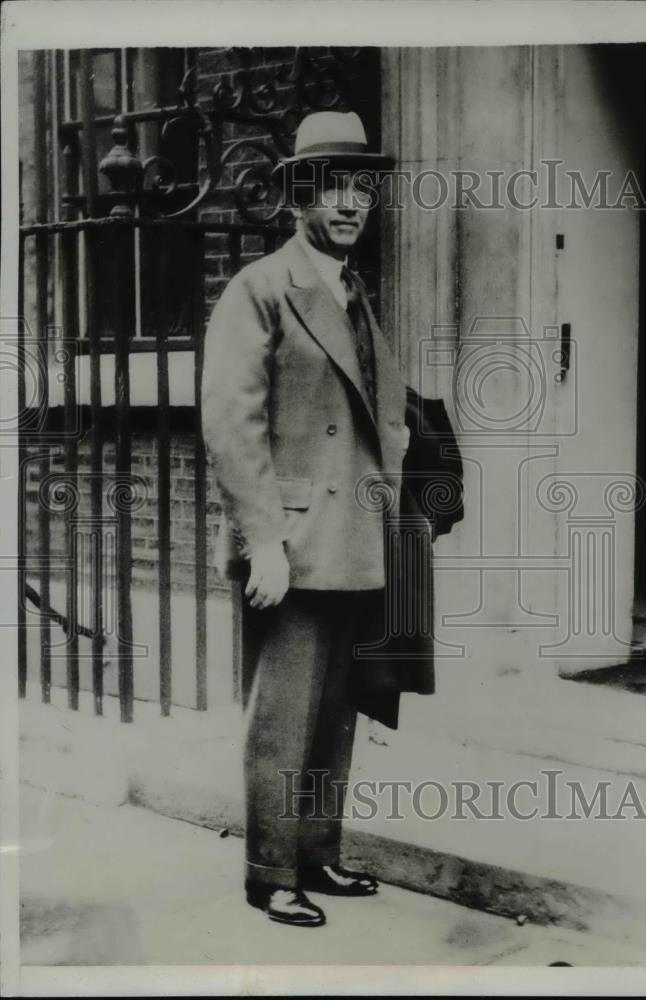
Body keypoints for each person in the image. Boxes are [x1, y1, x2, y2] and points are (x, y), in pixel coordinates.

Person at [201, 110, 409, 928]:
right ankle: (268, 871)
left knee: (334, 710)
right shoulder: (259, 289)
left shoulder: (355, 294)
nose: (352, 202)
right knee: (283, 714)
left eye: (362, 186)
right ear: (297, 197)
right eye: (331, 186)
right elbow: (230, 424)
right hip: (289, 539)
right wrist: (263, 542)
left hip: (354, 536)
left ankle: (317, 855)